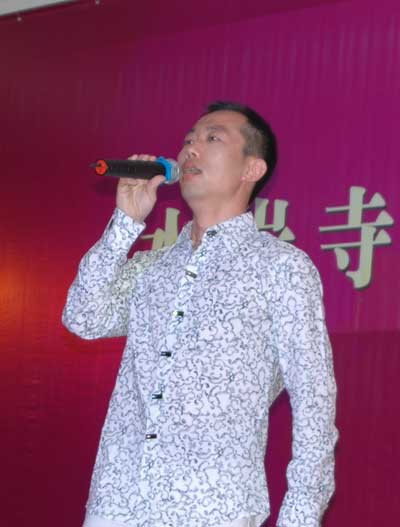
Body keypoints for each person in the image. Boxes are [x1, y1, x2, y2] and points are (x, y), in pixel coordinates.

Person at [63, 101, 338, 527]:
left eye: (213, 138)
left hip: (212, 508)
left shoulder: (281, 267)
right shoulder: (151, 267)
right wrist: (125, 222)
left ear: (252, 169)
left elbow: (315, 401)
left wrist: (299, 518)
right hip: (116, 505)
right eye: (189, 139)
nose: (191, 148)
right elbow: (83, 317)